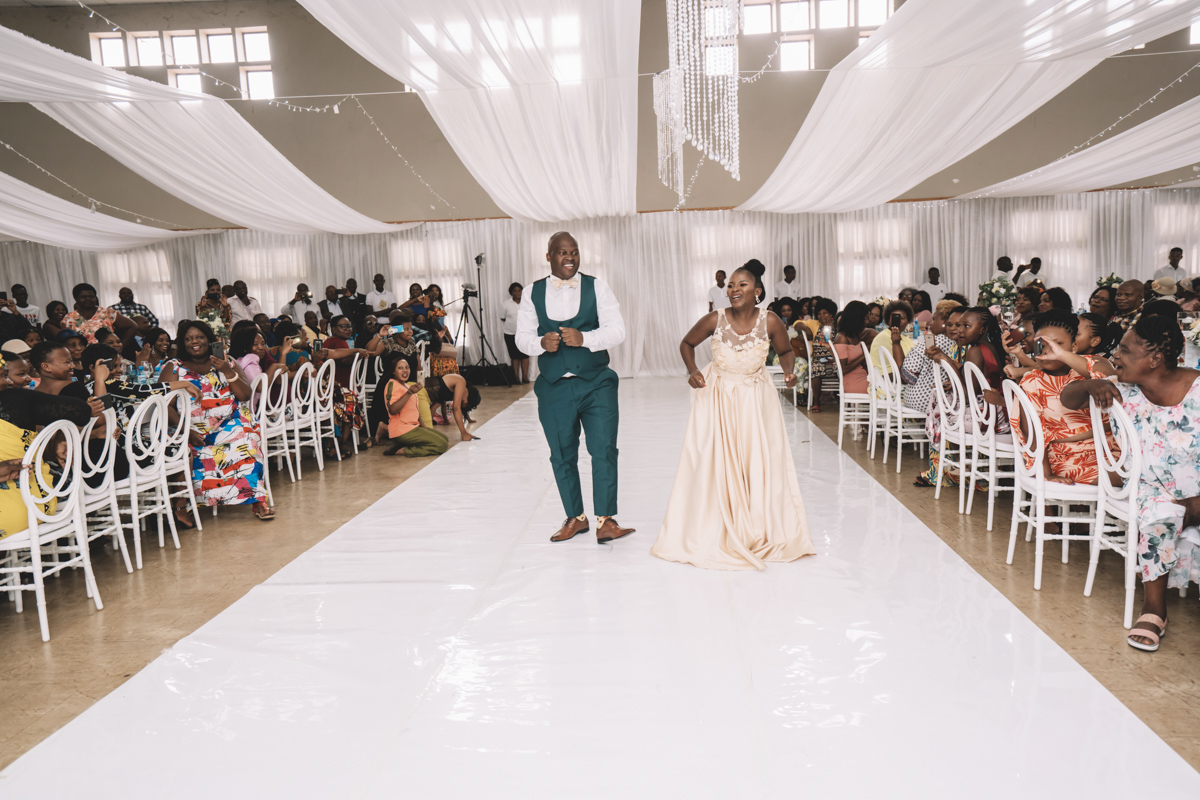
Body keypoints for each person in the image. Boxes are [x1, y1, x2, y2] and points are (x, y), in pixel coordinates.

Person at [651, 259, 814, 571]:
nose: (734, 289)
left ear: (757, 291)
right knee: (716, 459)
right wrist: (692, 370)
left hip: (755, 399)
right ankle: (716, 522)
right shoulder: (716, 318)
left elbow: (786, 351)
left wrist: (789, 372)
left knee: (756, 459)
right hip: (718, 396)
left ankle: (755, 523)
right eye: (731, 285)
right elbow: (686, 343)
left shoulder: (770, 321)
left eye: (742, 284)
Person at [1061, 317, 1199, 653]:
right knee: (1160, 513)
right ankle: (1154, 609)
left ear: (1154, 359)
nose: (1116, 355)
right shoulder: (1119, 389)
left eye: (1124, 349)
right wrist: (1090, 385)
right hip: (1149, 487)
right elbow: (1068, 397)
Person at [514, 231, 633, 544]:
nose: (569, 257)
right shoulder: (532, 292)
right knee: (561, 454)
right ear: (549, 256)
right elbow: (521, 337)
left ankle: (606, 520)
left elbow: (617, 330)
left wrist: (586, 339)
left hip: (597, 383)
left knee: (604, 449)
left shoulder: (598, 286)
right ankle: (576, 518)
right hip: (554, 387)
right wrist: (540, 343)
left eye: (574, 252)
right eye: (562, 252)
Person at [161, 320, 273, 522]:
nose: (194, 342)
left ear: (209, 339)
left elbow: (245, 395)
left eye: (199, 337)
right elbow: (163, 404)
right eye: (188, 339)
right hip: (190, 429)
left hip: (229, 424)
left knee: (247, 441)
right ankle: (184, 505)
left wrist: (227, 371)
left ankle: (257, 501)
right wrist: (186, 431)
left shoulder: (226, 361)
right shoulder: (174, 367)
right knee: (184, 451)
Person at [1010, 311, 1115, 485]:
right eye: (1041, 344)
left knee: (1144, 469)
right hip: (1068, 458)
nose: (1048, 350)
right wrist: (1046, 474)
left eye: (1057, 344)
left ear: (1073, 347)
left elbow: (1112, 380)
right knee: (1138, 477)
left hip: (1112, 450)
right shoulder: (1033, 381)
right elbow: (1032, 433)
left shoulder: (1088, 365)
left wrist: (1062, 355)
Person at [0, 355, 92, 539]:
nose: (8, 382)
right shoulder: (14, 398)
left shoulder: (13, 398)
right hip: (38, 505)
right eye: (3, 376)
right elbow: (82, 411)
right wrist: (58, 437)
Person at [321, 316, 371, 454]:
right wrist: (358, 354)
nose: (348, 329)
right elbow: (344, 361)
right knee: (349, 401)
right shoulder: (339, 342)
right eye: (343, 326)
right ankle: (342, 441)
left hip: (335, 384)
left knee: (348, 400)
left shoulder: (329, 341)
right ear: (333, 329)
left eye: (349, 326)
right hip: (340, 385)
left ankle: (340, 441)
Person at [382, 358, 448, 457]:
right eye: (400, 368)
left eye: (407, 367)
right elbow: (392, 410)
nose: (405, 370)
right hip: (402, 430)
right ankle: (404, 450)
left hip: (413, 427)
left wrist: (424, 427)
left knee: (444, 439)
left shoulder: (408, 386)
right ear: (394, 372)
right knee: (442, 445)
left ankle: (404, 444)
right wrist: (409, 393)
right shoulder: (392, 384)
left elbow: (415, 411)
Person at [62, 283, 137, 347]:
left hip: (107, 355)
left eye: (91, 296)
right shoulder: (69, 318)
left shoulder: (108, 313)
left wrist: (120, 346)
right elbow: (65, 341)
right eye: (84, 297)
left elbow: (133, 326)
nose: (88, 299)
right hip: (82, 356)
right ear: (76, 299)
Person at [799, 297, 838, 413]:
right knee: (816, 367)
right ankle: (816, 402)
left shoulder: (837, 326)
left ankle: (842, 398)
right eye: (819, 314)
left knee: (843, 368)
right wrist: (806, 329)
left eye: (825, 313)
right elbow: (797, 323)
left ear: (831, 313)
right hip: (819, 358)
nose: (822, 316)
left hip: (834, 358)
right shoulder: (815, 325)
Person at [831, 301, 869, 394]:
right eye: (865, 318)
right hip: (852, 382)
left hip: (862, 376)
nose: (867, 322)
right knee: (887, 391)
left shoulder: (855, 335)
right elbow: (842, 369)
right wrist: (864, 355)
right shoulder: (842, 338)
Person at [500, 282, 530, 384]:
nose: (517, 293)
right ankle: (516, 378)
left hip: (525, 333)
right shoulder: (506, 304)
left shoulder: (527, 303)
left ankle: (525, 378)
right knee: (515, 356)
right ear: (511, 292)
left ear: (522, 291)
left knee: (525, 355)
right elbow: (502, 318)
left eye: (519, 290)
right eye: (515, 291)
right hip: (510, 334)